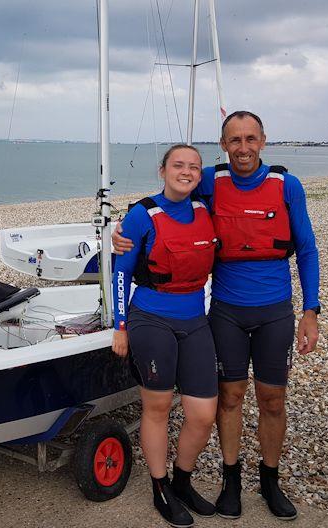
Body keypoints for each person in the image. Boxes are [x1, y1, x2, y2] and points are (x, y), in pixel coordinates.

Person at [113, 111, 320, 521]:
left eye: (250, 139)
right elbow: (166, 198)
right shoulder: (209, 180)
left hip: (276, 309)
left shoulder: (287, 186)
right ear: (223, 146)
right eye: (234, 140)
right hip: (224, 311)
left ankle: (269, 481)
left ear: (263, 141)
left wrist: (310, 310)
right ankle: (230, 481)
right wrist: (124, 233)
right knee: (229, 397)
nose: (243, 148)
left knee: (273, 399)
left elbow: (308, 249)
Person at [112, 144, 218, 528]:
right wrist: (119, 326)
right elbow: (120, 272)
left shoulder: (207, 208)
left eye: (194, 166)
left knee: (203, 414)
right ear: (162, 170)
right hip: (151, 318)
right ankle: (160, 488)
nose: (186, 171)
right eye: (178, 165)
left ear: (200, 174)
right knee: (157, 408)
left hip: (195, 320)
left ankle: (182, 482)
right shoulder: (142, 214)